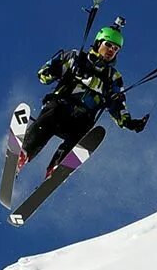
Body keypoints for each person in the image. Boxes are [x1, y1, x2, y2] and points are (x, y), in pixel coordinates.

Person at [21, 21, 149, 176]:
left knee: (83, 133)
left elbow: (117, 104)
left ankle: (57, 169)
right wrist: (54, 70)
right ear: (98, 43)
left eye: (115, 49)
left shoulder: (113, 77)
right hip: (59, 108)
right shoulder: (75, 57)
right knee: (49, 118)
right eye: (108, 45)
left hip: (81, 120)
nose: (111, 51)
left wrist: (129, 122)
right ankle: (24, 154)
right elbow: (43, 75)